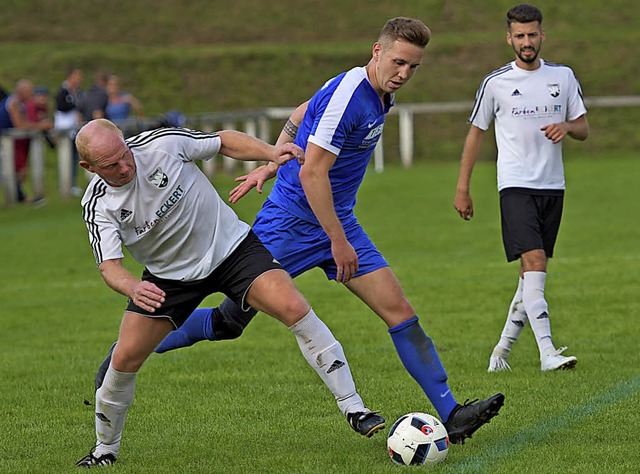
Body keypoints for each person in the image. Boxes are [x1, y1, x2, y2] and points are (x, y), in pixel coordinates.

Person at [119, 17, 505, 445]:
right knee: (230, 321)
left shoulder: (377, 93)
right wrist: (337, 242)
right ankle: (126, 358)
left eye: (413, 67)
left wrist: (271, 162)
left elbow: (303, 113)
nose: (404, 74)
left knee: (399, 311)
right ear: (377, 51)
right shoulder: (350, 97)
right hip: (290, 223)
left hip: (338, 220)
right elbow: (313, 175)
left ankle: (452, 413)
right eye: (398, 62)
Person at [75, 119, 384, 467]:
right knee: (125, 359)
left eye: (124, 154)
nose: (125, 166)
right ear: (89, 168)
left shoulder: (161, 144)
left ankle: (354, 408)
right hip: (168, 277)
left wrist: (270, 152)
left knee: (294, 308)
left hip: (231, 249)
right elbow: (109, 266)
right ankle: (105, 450)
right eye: (111, 166)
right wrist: (134, 286)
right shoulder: (99, 204)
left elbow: (221, 142)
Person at [453, 4, 588, 373]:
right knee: (535, 262)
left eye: (532, 34)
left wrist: (566, 127)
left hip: (553, 186)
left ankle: (501, 351)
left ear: (542, 35)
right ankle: (547, 353)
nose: (526, 42)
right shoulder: (495, 82)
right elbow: (475, 135)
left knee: (531, 275)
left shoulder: (563, 76)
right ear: (509, 38)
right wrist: (462, 188)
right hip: (514, 185)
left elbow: (583, 126)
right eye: (520, 35)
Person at [0, 79, 53, 202]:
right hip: (5, 141)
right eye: (30, 91)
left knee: (19, 171)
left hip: (12, 142)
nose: (32, 94)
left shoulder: (23, 104)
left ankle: (19, 197)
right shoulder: (14, 103)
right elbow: (20, 125)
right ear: (21, 92)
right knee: (13, 171)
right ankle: (17, 198)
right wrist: (41, 125)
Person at [54, 66, 84, 196]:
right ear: (70, 77)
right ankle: (65, 185)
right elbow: (61, 107)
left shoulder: (77, 92)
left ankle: (73, 184)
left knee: (75, 158)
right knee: (66, 157)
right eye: (77, 76)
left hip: (75, 129)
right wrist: (76, 105)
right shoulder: (62, 92)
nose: (80, 79)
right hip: (65, 131)